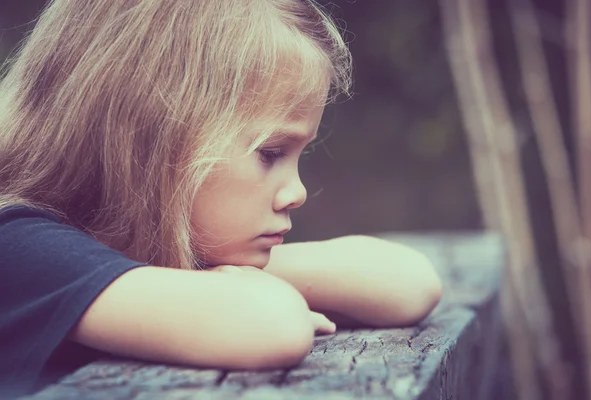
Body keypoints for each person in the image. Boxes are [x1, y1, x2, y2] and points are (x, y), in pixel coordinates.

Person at [0, 0, 442, 397]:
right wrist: (231, 288)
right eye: (270, 154)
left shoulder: (153, 256)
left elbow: (410, 283)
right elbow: (272, 325)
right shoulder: (18, 247)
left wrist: (215, 276)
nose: (298, 192)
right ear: (153, 138)